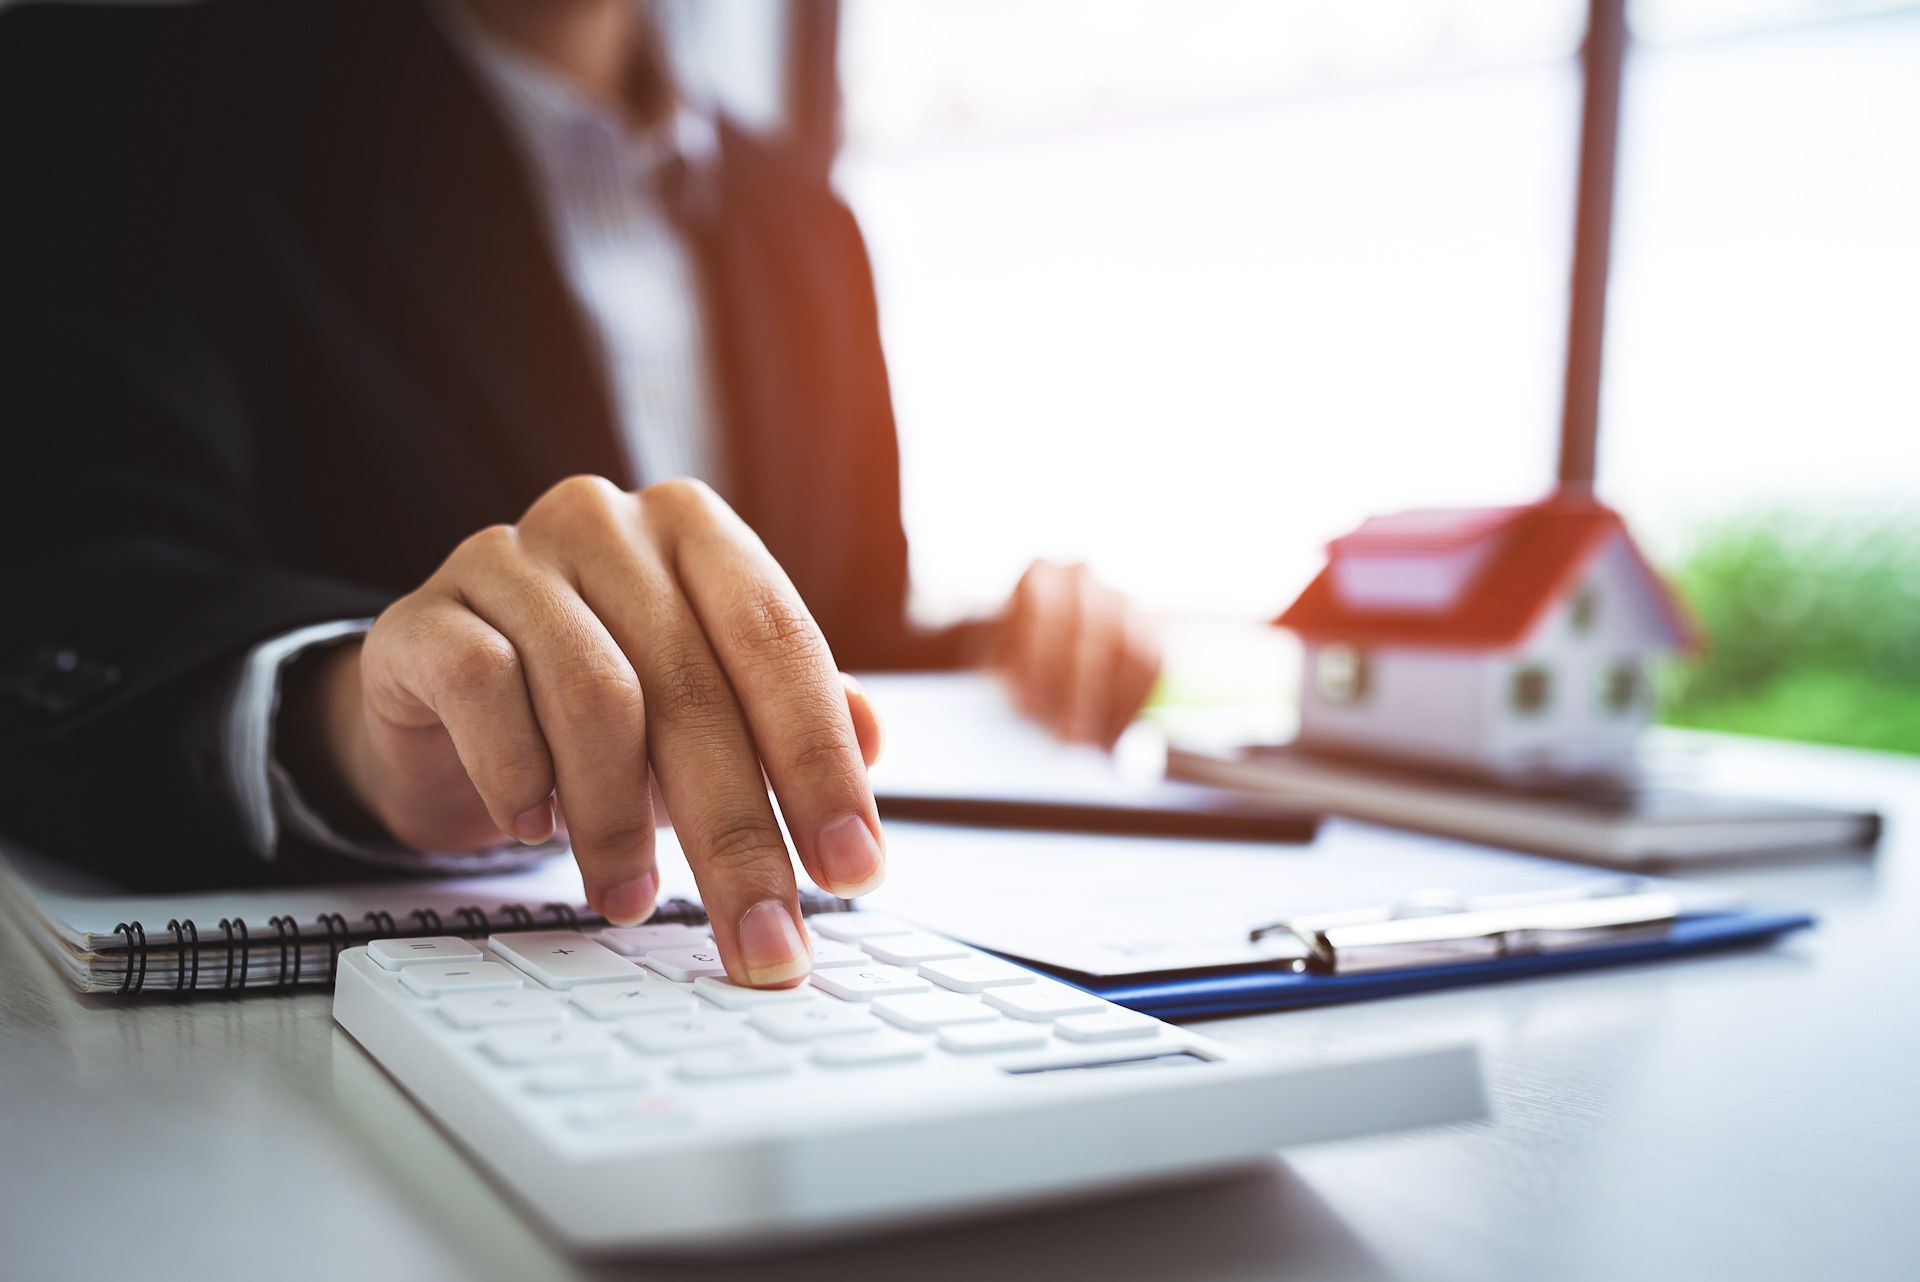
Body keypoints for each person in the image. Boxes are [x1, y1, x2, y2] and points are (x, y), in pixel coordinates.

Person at [0, 0, 1160, 987]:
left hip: (727, 998)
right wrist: (354, 721)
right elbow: (69, 579)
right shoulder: (132, 100)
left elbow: (833, 628)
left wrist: (1003, 649)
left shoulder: (809, 227)